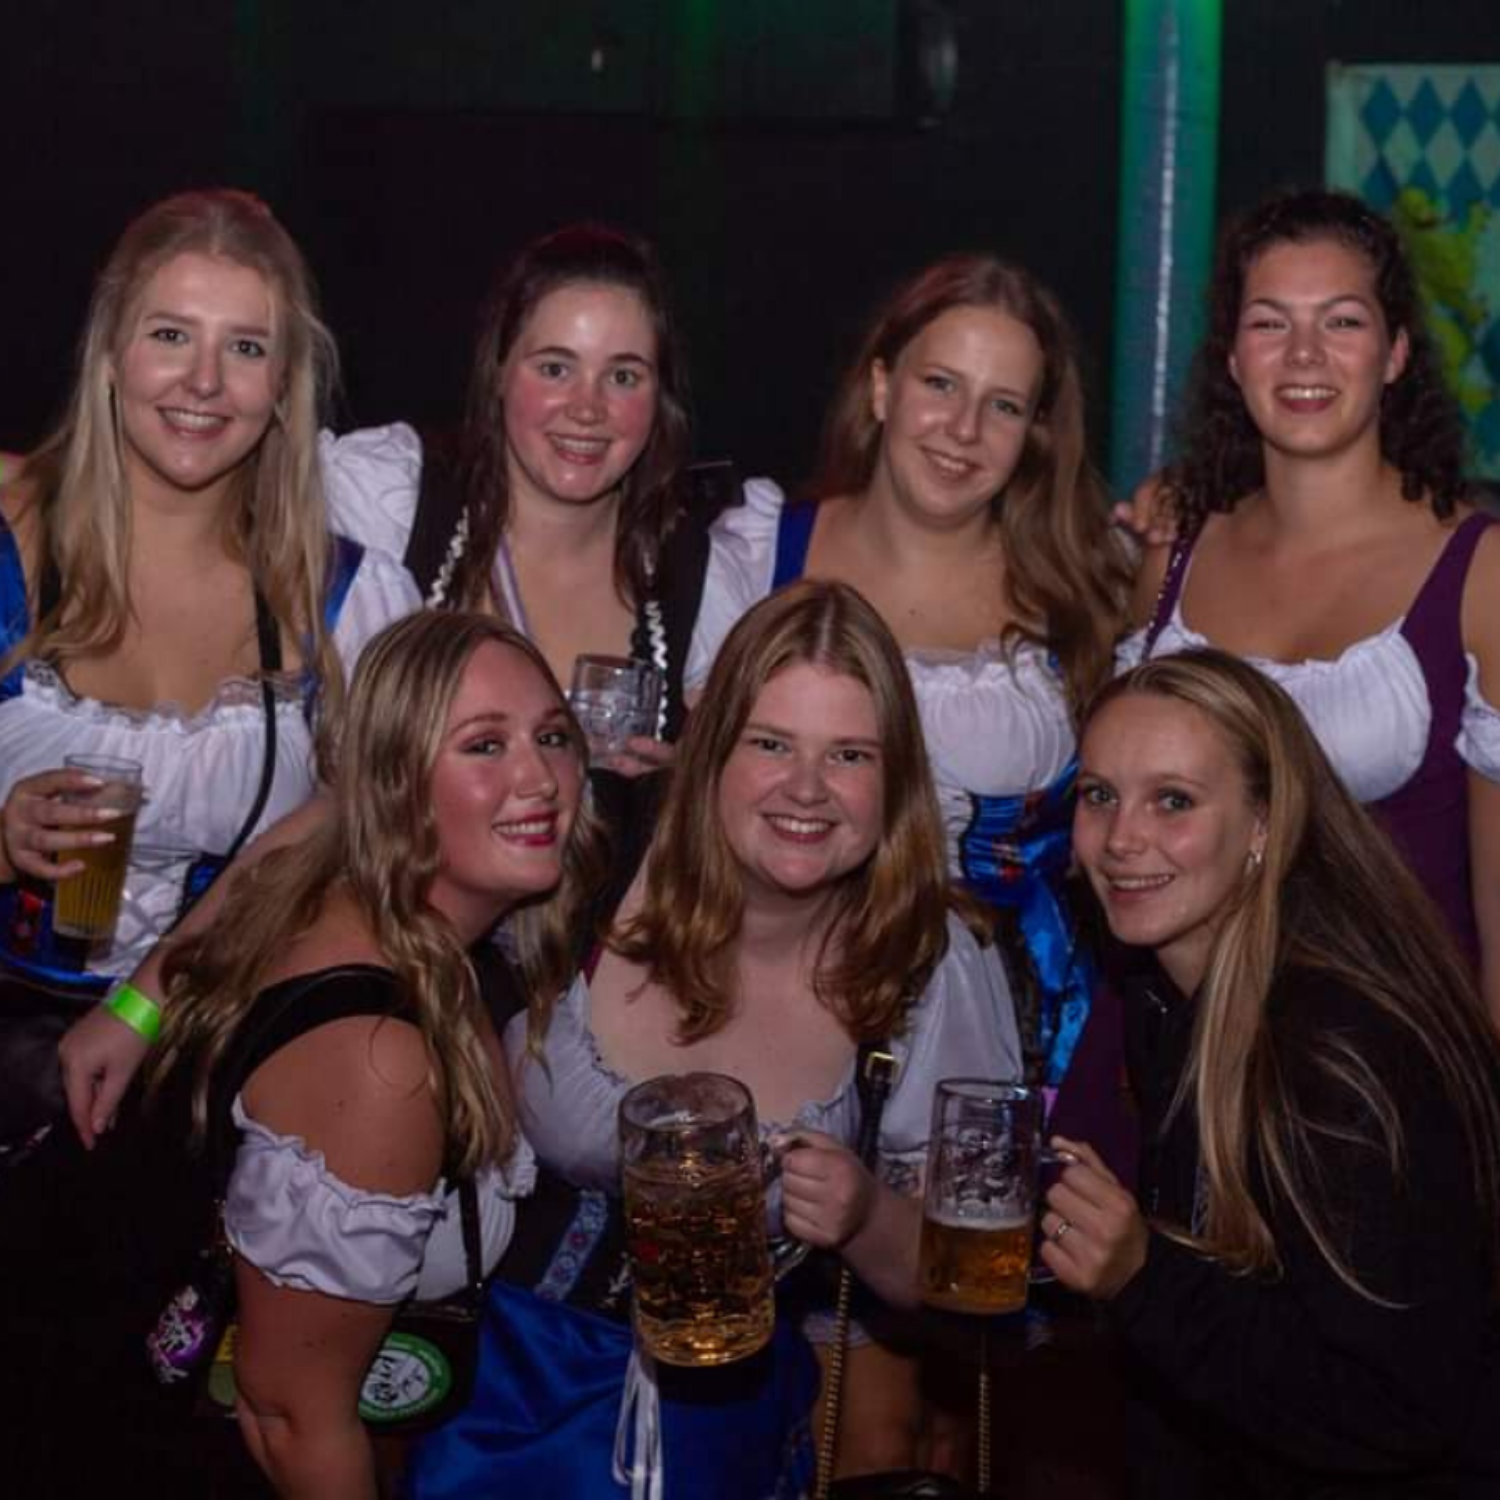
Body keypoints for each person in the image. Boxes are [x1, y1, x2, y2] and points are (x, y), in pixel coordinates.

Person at [58, 221, 716, 1146]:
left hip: (569, 1043)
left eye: (625, 375)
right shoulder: (390, 505)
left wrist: (691, 789)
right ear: (498, 372)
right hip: (364, 1004)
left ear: (661, 399)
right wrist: (147, 1000)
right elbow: (324, 816)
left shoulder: (702, 578)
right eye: (554, 366)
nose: (587, 408)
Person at [407, 579, 1022, 1499]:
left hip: (726, 1434)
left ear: (895, 778)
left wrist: (864, 1216)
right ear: (711, 747)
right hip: (494, 1401)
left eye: (849, 754)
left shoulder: (929, 961)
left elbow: (961, 1278)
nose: (806, 789)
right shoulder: (595, 852)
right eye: (770, 743)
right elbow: (375, 844)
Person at [685, 254, 1133, 1468]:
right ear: (881, 385)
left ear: (1038, 434)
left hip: (1015, 1035)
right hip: (795, 1007)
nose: (963, 428)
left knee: (975, 1420)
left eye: (1004, 403)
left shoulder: (1088, 586)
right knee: (839, 1406)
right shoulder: (758, 551)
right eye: (941, 383)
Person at [0, 610, 597, 1496]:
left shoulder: (349, 885)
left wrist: (139, 1000)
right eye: (483, 745)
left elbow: (314, 817)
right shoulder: (380, 1063)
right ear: (395, 787)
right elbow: (288, 1420)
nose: (539, 778)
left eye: (552, 736)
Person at [0, 188, 420, 1144]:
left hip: (219, 1065)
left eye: (246, 348)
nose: (203, 381)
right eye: (170, 335)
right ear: (111, 354)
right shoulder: (9, 548)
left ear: (283, 386)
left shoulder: (339, 599)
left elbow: (369, 831)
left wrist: (144, 1001)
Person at [1047, 647, 1500, 1497]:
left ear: (1264, 825)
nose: (1120, 839)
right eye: (1099, 795)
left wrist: (1144, 1277)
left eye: (1173, 800)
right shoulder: (1167, 997)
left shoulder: (1336, 1056)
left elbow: (1396, 1405)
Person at [1125, 188, 1500, 1023]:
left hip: (1386, 1064)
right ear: (1232, 357)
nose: (1303, 354)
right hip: (1167, 1050)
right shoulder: (1170, 554)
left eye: (1342, 321)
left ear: (1395, 353)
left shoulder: (1481, 573)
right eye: (1270, 322)